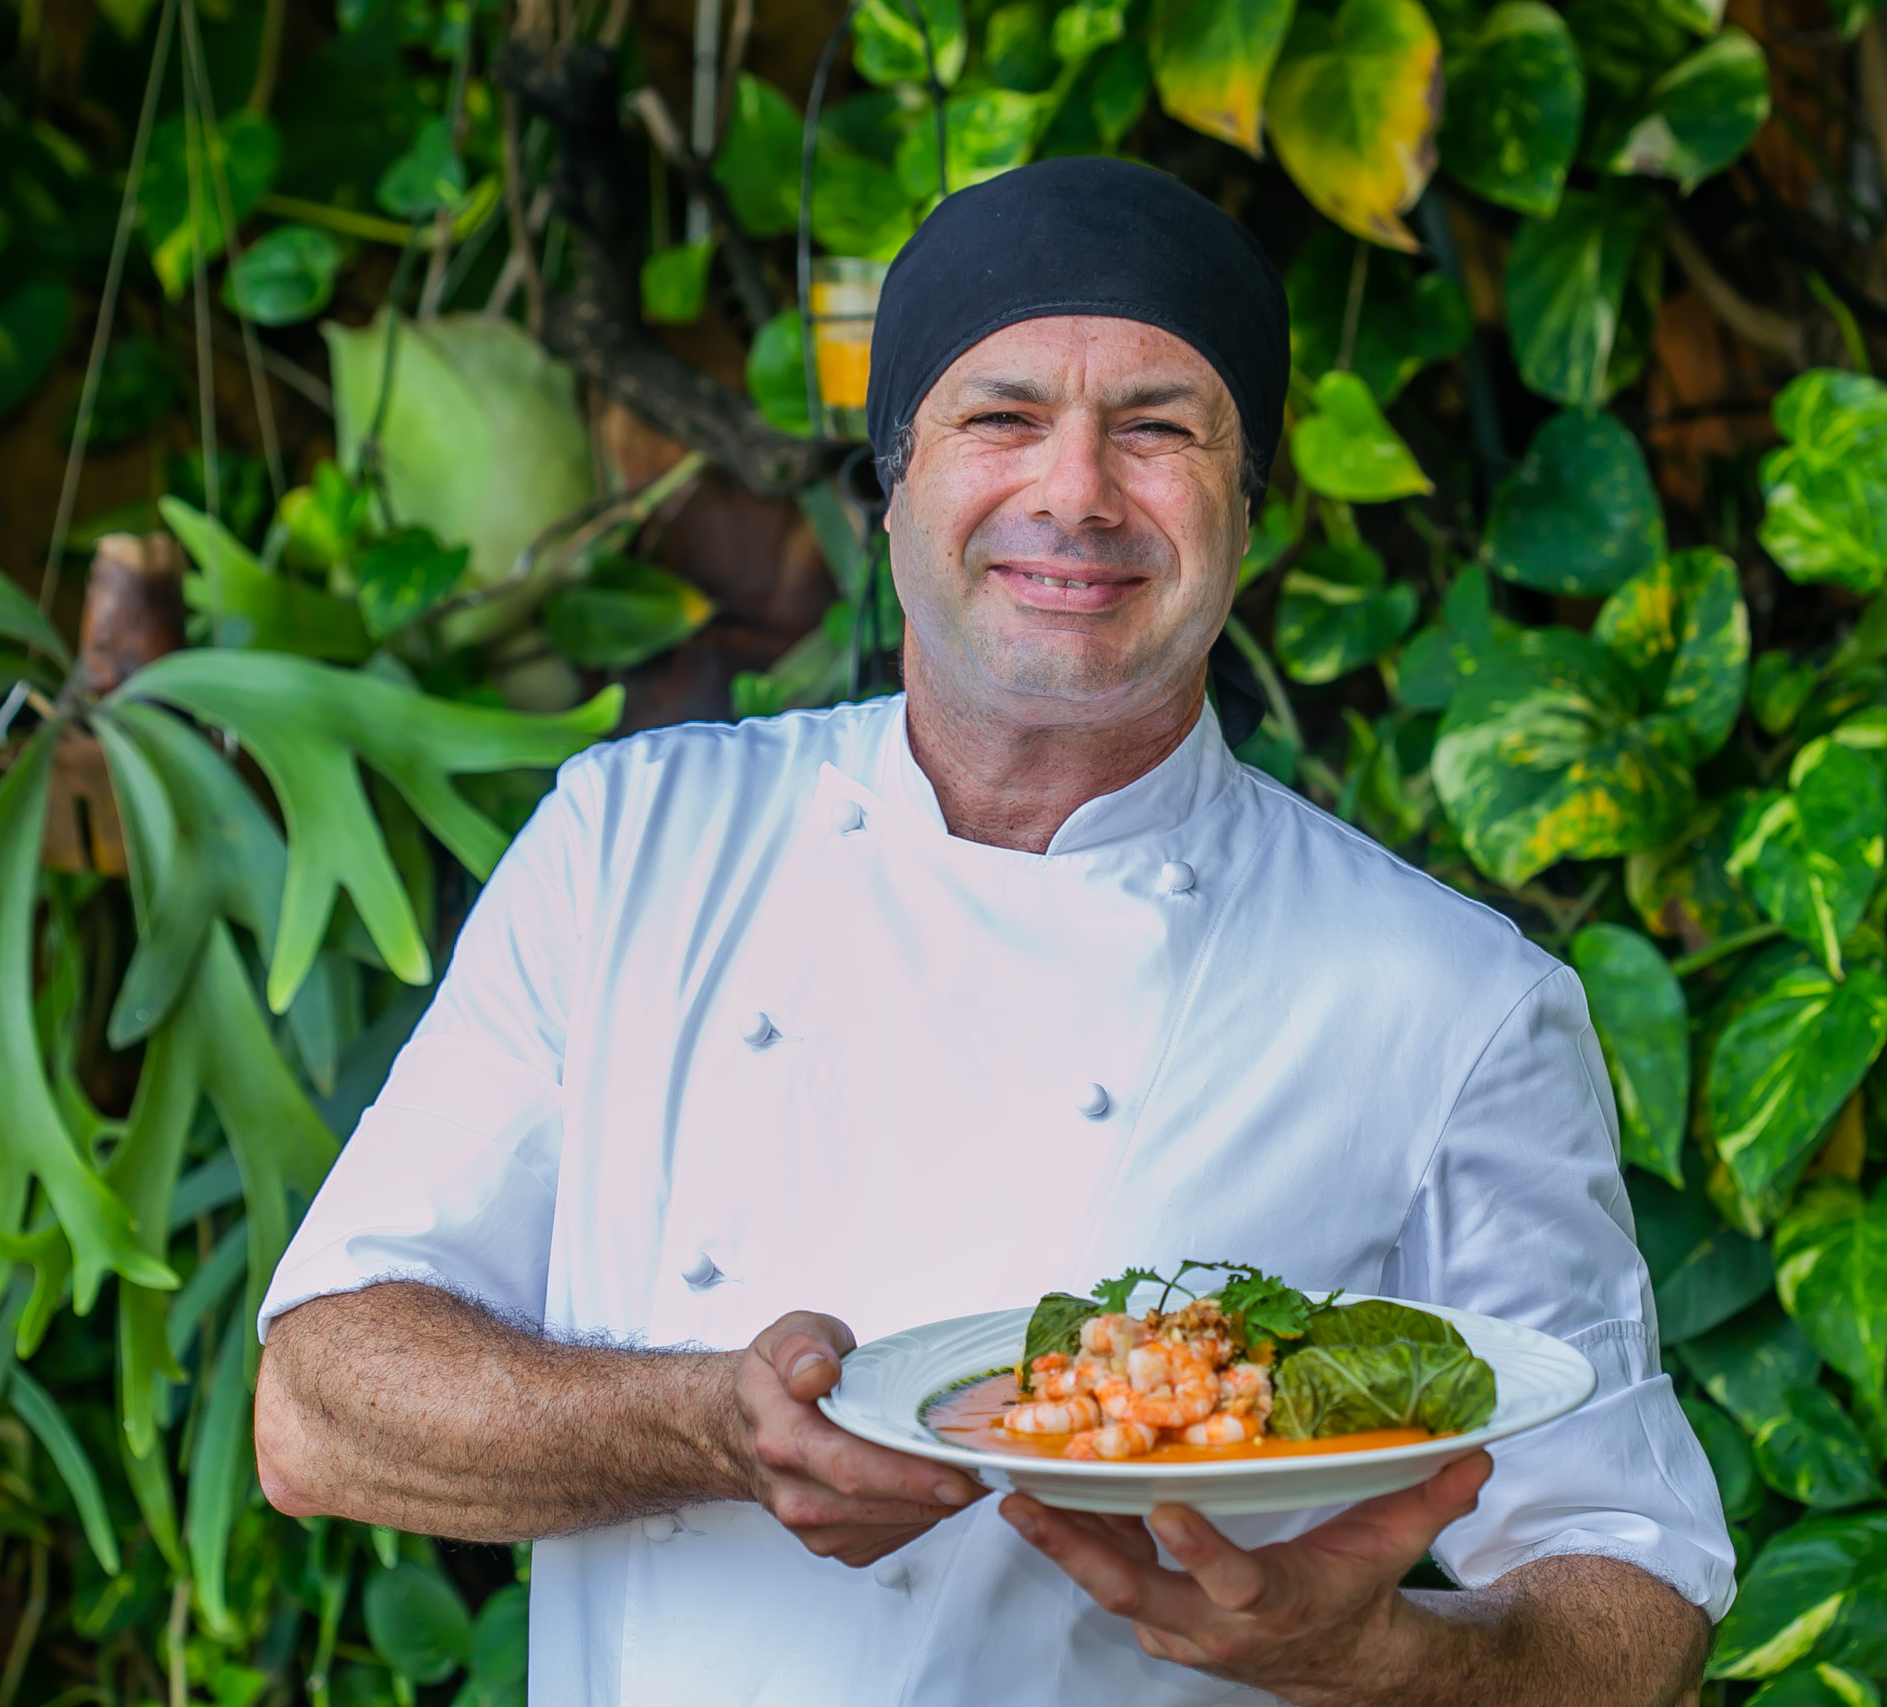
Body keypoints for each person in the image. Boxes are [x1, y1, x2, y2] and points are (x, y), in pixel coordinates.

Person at [251, 156, 1732, 1706]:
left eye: (1159, 428)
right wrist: (707, 1426)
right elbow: (319, 1408)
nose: (1076, 494)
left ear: (1250, 511)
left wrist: (1386, 1655)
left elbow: (1631, 1585)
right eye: (1002, 416)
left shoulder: (1451, 1000)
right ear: (896, 488)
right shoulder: (632, 844)